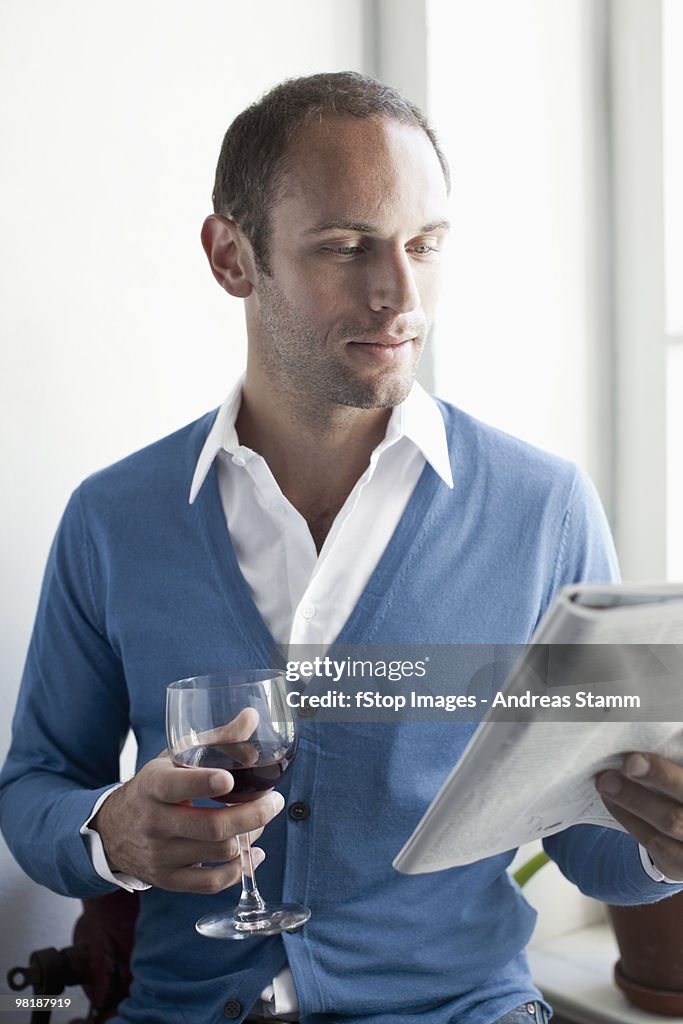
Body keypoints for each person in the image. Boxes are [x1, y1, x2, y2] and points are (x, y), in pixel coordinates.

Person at [1, 71, 682, 1024]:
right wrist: (107, 832)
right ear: (232, 256)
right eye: (346, 246)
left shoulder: (544, 508)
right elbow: (33, 788)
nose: (398, 294)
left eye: (423, 245)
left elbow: (590, 839)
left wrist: (663, 843)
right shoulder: (114, 517)